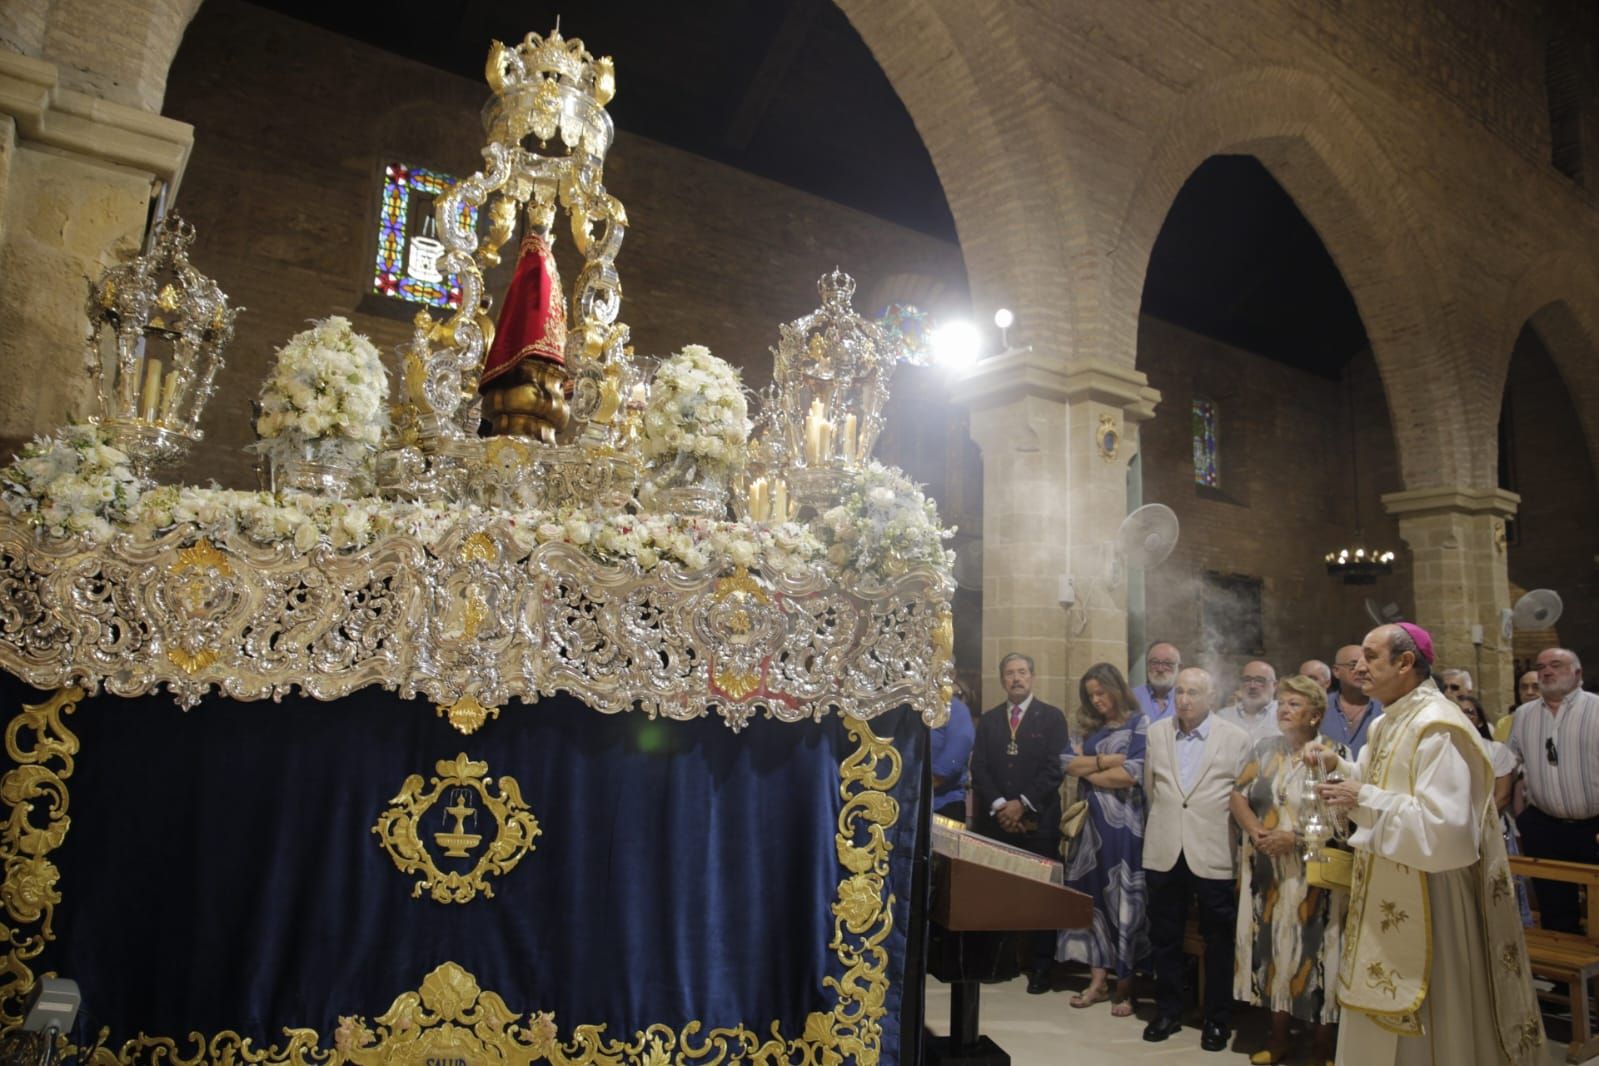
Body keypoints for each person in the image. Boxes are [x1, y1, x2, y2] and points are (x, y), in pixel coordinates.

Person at [1308, 623, 1541, 1066]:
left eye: (1371, 656)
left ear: (1405, 662)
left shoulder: (1438, 727)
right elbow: (1378, 782)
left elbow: (1447, 829)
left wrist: (1364, 797)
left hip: (1433, 896)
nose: (1359, 667)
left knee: (1436, 1021)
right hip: (1386, 884)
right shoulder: (1388, 722)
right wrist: (1339, 767)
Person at [1231, 675, 1348, 1065]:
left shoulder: (1333, 754)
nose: (1283, 709)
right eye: (1282, 703)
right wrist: (1255, 830)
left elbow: (1341, 819)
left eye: (1294, 704)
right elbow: (1238, 795)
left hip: (1313, 875)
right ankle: (1278, 1038)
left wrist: (1294, 838)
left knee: (1315, 957)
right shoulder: (1264, 749)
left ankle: (1321, 1046)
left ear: (1315, 715)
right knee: (1274, 953)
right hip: (1268, 872)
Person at [1142, 667, 1252, 1052]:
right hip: (1165, 847)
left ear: (1212, 696)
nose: (1184, 699)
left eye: (1192, 692)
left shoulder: (1236, 739)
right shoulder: (1157, 733)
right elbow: (1151, 789)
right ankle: (1168, 1011)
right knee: (1164, 936)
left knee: (1218, 939)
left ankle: (1216, 1020)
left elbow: (1241, 795)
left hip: (1212, 849)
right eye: (1179, 692)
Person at [969, 652, 1068, 992]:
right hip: (997, 821)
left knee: (1042, 894)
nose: (1016, 678)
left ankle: (1041, 966)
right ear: (1002, 680)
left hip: (1038, 821)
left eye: (1022, 672)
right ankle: (1000, 961)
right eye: (1010, 673)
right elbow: (978, 766)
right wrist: (1000, 805)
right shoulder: (990, 720)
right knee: (999, 892)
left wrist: (1021, 804)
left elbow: (1055, 768)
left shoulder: (1052, 718)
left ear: (1033, 677)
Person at [1057, 663, 1148, 1016]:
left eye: (1102, 692)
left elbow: (1132, 774)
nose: (1097, 700)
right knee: (1092, 899)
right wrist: (1108, 760)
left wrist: (1091, 766)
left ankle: (1125, 985)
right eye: (1091, 695)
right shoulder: (1086, 726)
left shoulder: (1139, 723)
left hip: (1125, 827)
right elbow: (1067, 764)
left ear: (1117, 689)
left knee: (1124, 902)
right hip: (1088, 827)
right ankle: (1097, 980)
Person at [1507, 647, 1599, 934]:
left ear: (1577, 673)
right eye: (1541, 666)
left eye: (1556, 665)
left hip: (1594, 826)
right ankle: (1562, 979)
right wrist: (1520, 817)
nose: (1547, 671)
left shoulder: (1596, 709)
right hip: (1545, 827)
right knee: (1555, 909)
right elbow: (1510, 763)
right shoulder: (1523, 715)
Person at [1460, 693, 1532, 926]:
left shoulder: (1495, 751)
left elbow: (1501, 797)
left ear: (1480, 720)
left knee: (1497, 901)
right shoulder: (1439, 750)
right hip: (1453, 836)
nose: (1463, 716)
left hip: (1490, 831)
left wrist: (1469, 822)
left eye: (1469, 712)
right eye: (1457, 711)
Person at [1322, 644, 1383, 758]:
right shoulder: (1321, 707)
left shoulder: (1384, 708)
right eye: (1353, 665)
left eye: (1367, 665)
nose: (1361, 670)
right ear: (1336, 671)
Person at [930, 684, 977, 821]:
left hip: (943, 805)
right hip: (906, 803)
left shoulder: (956, 710)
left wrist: (910, 792)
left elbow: (950, 763)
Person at [1217, 660, 1281, 744]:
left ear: (1274, 685)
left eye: (1260, 680)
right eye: (1247, 680)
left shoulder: (1283, 714)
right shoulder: (1224, 716)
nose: (1252, 686)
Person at [1133, 642, 1181, 723]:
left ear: (1179, 667)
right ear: (1147, 666)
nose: (1160, 669)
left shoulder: (1185, 699)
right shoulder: (1132, 697)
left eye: (1167, 663)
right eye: (1154, 662)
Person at [1495, 670, 1540, 743]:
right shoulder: (1504, 723)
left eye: (1536, 687)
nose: (1529, 692)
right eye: (1524, 687)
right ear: (1519, 692)